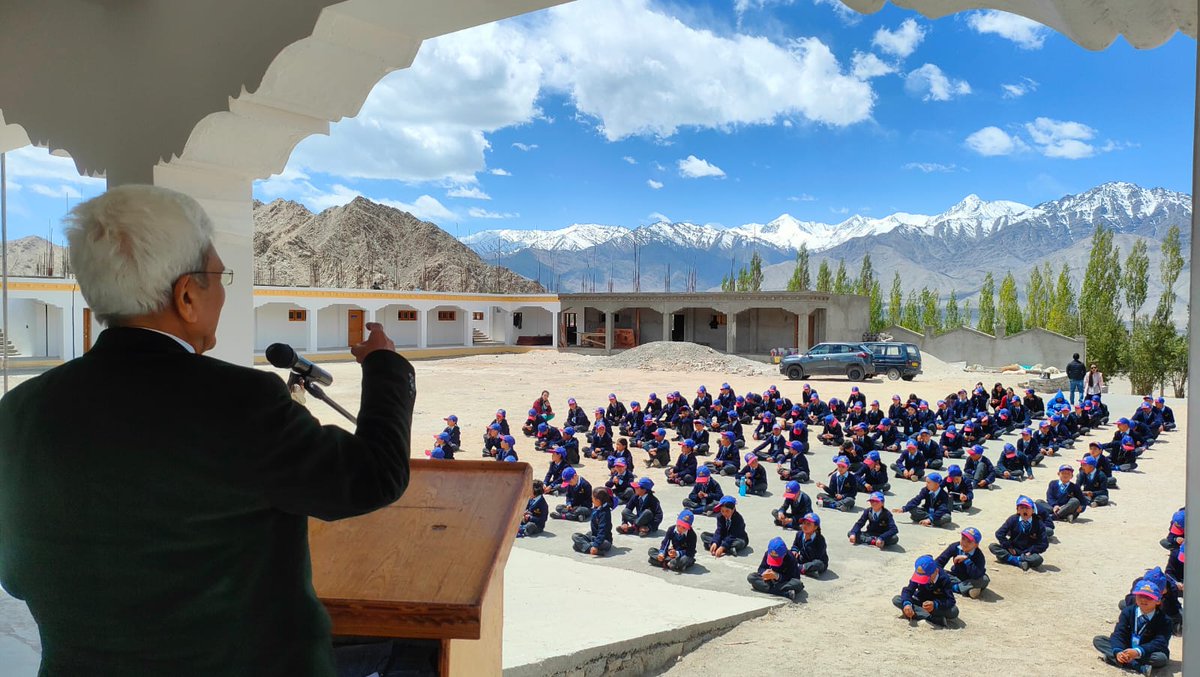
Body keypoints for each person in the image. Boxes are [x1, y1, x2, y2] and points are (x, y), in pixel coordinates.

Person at [0, 186, 419, 675]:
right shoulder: (240, 402)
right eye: (220, 277)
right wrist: (387, 367)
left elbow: (17, 572)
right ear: (186, 296)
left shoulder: (20, 411)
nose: (224, 291)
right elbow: (373, 477)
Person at [1093, 580, 1171, 674]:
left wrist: (1138, 651)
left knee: (1160, 658)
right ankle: (1138, 667)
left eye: (1149, 597)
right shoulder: (1128, 611)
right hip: (1126, 647)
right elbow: (1119, 633)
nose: (1143, 600)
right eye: (1140, 596)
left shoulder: (1165, 620)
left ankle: (1113, 659)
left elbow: (1160, 642)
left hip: (1145, 652)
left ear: (1158, 601)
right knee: (1099, 640)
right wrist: (1118, 651)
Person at [893, 555, 959, 627]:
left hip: (935, 606)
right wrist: (907, 604)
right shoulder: (919, 573)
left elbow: (950, 600)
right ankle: (930, 618)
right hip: (920, 600)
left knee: (954, 611)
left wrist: (935, 604)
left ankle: (918, 613)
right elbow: (908, 590)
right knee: (897, 599)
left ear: (936, 571)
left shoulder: (944, 579)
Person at [990, 495, 1049, 570]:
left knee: (1038, 559)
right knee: (993, 546)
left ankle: (1011, 559)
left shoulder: (1038, 523)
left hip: (1028, 552)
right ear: (1017, 510)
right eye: (1021, 508)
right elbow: (999, 533)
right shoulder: (1013, 519)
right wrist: (1009, 546)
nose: (1024, 510)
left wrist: (1031, 551)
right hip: (1014, 549)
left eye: (1027, 508)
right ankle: (1018, 562)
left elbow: (1044, 543)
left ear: (1033, 510)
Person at [935, 527, 990, 599]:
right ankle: (967, 590)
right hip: (956, 576)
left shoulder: (979, 556)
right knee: (936, 571)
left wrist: (966, 560)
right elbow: (940, 561)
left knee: (985, 579)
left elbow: (976, 575)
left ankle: (953, 587)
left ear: (976, 545)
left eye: (969, 542)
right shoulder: (955, 546)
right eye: (963, 539)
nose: (964, 543)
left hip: (971, 579)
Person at [747, 536, 805, 601]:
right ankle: (784, 593)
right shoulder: (767, 554)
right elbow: (761, 568)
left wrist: (777, 576)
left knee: (798, 584)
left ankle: (766, 588)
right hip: (769, 581)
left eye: (776, 558)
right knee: (751, 577)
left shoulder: (790, 558)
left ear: (784, 554)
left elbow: (794, 577)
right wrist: (764, 573)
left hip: (783, 582)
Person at [572, 488, 615, 556]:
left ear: (598, 501)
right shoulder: (597, 508)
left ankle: (592, 548)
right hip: (594, 535)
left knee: (577, 546)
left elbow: (602, 531)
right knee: (575, 536)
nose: (592, 500)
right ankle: (591, 549)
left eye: (593, 498)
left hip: (604, 540)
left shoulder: (604, 513)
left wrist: (595, 545)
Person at [789, 512, 828, 577]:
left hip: (815, 561)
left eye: (808, 524)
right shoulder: (799, 534)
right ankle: (807, 571)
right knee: (787, 554)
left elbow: (817, 556)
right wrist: (794, 551)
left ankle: (798, 568)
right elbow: (795, 545)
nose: (805, 526)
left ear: (815, 527)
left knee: (818, 564)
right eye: (804, 523)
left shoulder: (820, 539)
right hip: (803, 559)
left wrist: (808, 541)